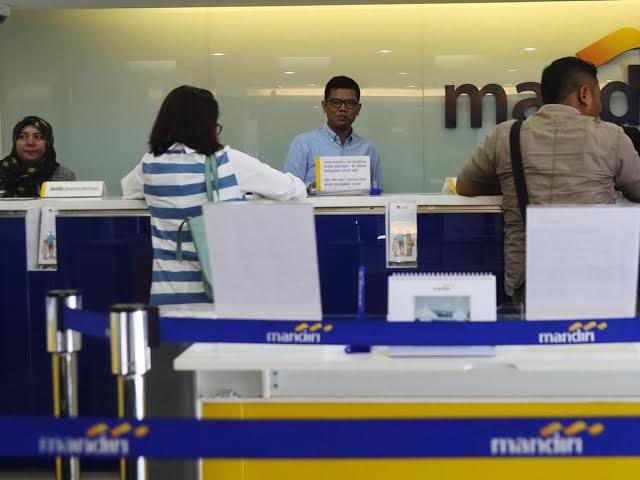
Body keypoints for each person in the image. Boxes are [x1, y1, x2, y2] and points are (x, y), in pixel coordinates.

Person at [456, 56, 640, 302]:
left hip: (528, 282)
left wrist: (511, 184)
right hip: (595, 276)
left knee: (532, 329)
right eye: (598, 95)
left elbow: (465, 186)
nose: (600, 106)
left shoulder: (506, 135)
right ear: (585, 94)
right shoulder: (612, 136)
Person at [122, 85, 307, 307]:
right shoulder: (227, 161)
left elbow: (128, 191)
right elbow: (291, 189)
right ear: (207, 125)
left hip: (168, 296)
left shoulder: (149, 164)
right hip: (220, 297)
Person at [283, 75, 383, 189]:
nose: (343, 108)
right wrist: (316, 186)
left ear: (358, 109)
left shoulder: (368, 149)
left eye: (350, 103)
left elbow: (377, 192)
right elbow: (288, 189)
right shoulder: (303, 143)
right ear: (324, 106)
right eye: (336, 102)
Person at [0, 116, 75, 197]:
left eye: (38, 137)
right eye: (23, 136)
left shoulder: (63, 176)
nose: (30, 143)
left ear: (48, 143)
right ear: (15, 142)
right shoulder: (2, 171)